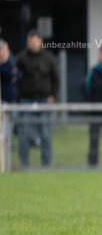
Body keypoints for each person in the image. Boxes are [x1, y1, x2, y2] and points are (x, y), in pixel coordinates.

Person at [16, 30, 60, 168]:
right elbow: (16, 80)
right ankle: (24, 164)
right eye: (30, 41)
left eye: (34, 41)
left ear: (40, 42)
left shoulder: (48, 58)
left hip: (44, 100)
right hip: (27, 100)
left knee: (45, 133)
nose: (32, 44)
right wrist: (19, 97)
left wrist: (52, 95)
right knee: (24, 132)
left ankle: (46, 164)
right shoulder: (21, 58)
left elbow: (55, 79)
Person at [0, 39, 22, 105]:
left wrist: (13, 75)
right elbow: (6, 73)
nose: (8, 52)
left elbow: (19, 74)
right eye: (5, 50)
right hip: (2, 100)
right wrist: (12, 75)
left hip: (12, 100)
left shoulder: (10, 62)